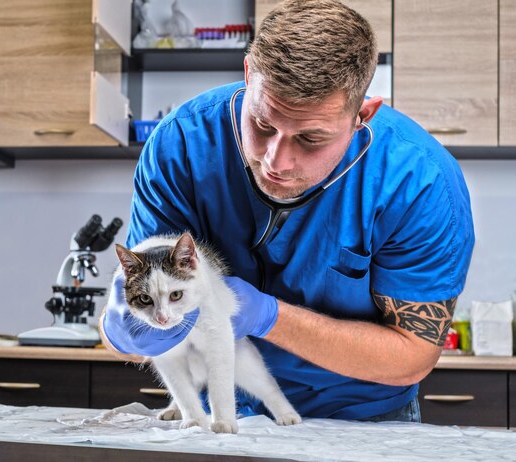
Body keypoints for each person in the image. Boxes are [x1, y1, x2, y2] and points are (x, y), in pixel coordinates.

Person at [99, 0, 474, 423]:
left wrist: (268, 316)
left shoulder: (419, 182)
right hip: (218, 410)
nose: (276, 161)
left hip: (358, 418)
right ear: (247, 76)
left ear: (361, 116)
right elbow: (133, 319)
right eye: (262, 124)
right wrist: (122, 330)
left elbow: (412, 356)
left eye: (311, 138)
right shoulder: (179, 147)